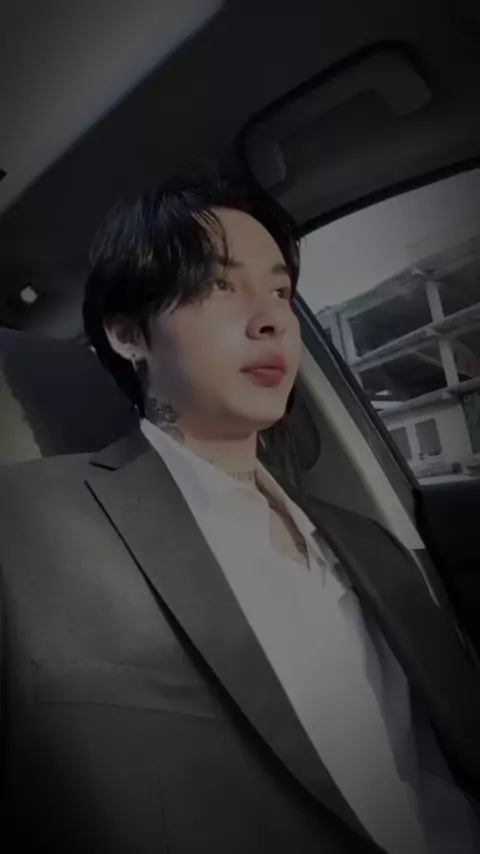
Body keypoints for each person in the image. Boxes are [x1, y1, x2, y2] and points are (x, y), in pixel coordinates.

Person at [1, 168, 480, 854]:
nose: (272, 318)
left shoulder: (372, 544)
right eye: (220, 285)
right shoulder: (25, 528)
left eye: (280, 291)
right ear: (129, 334)